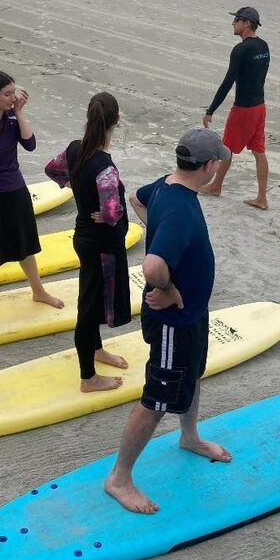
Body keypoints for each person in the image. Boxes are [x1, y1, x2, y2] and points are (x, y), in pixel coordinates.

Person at [104, 127, 233, 514]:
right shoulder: (179, 208)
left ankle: (189, 436)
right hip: (174, 321)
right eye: (218, 162)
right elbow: (152, 264)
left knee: (191, 375)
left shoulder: (165, 185)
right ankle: (119, 478)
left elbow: (135, 198)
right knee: (157, 398)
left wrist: (155, 232)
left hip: (191, 315)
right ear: (208, 166)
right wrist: (169, 286)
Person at [0, 70, 64, 331]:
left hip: (15, 190)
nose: (12, 97)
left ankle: (38, 291)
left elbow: (30, 144)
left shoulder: (10, 116)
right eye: (7, 94)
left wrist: (19, 113)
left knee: (26, 246)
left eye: (13, 92)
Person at [45, 92, 131, 393]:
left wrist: (78, 190)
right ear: (115, 122)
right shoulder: (105, 167)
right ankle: (88, 377)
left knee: (90, 297)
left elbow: (52, 169)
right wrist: (110, 211)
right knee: (89, 305)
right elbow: (111, 213)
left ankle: (96, 349)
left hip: (83, 236)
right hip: (102, 246)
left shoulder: (74, 150)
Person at [200, 7, 270, 210]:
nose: (233, 23)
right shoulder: (263, 46)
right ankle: (262, 198)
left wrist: (210, 110)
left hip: (244, 109)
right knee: (259, 151)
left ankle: (216, 186)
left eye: (236, 20)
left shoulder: (240, 50)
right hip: (260, 106)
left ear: (246, 23)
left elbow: (227, 83)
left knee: (226, 148)